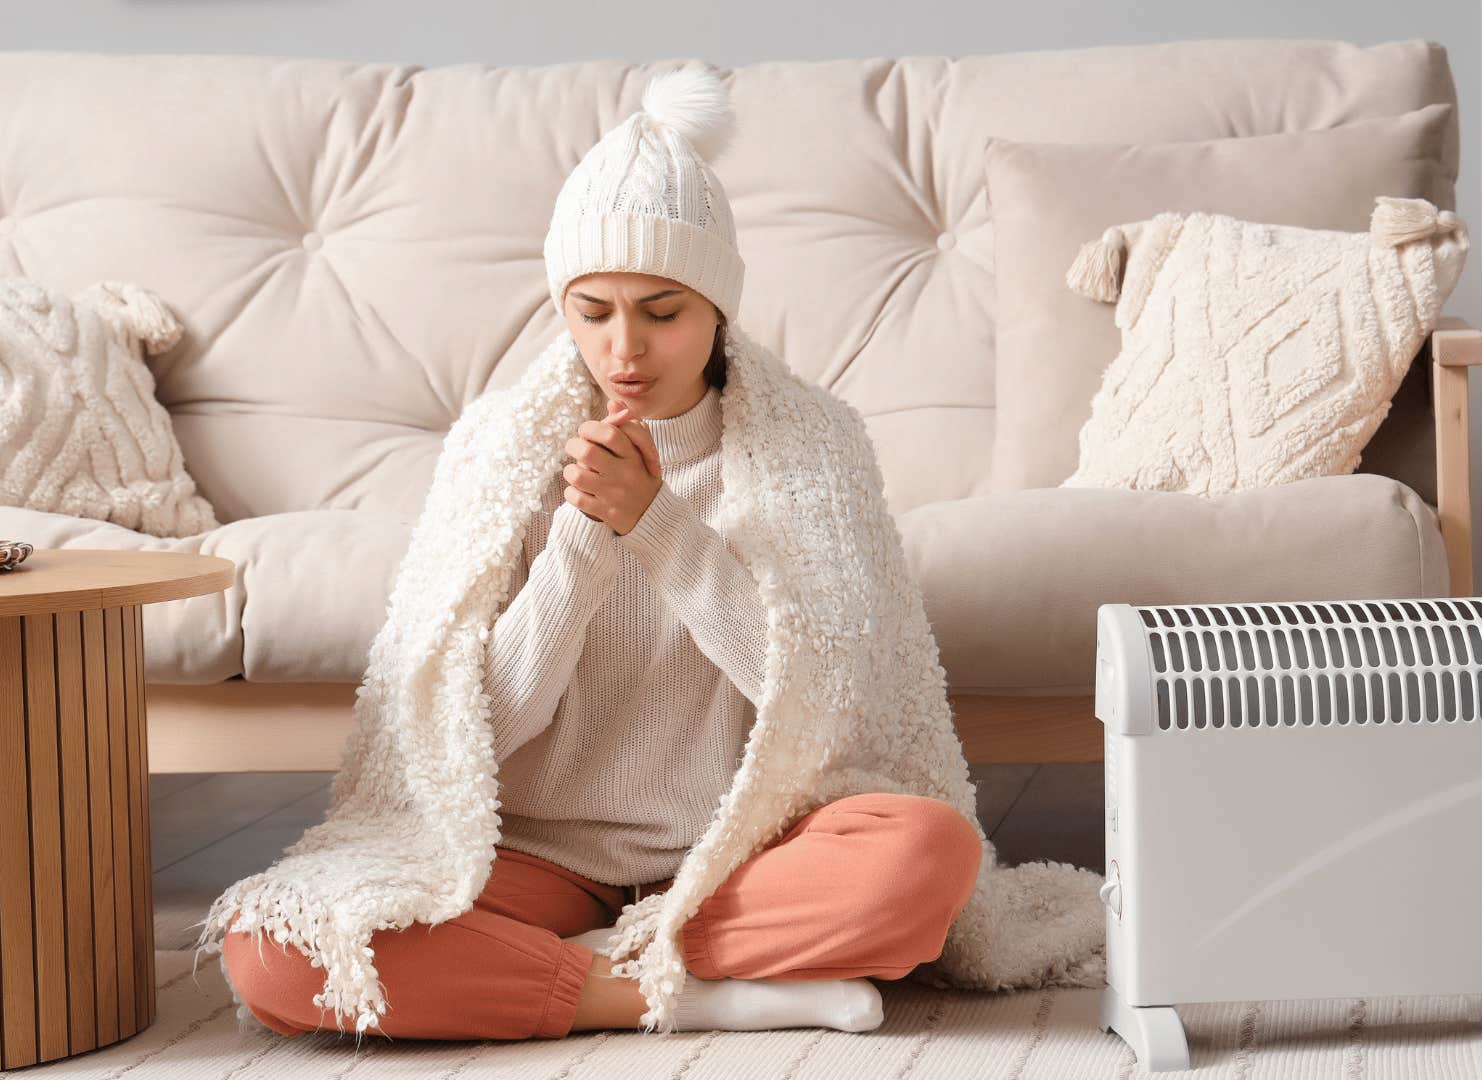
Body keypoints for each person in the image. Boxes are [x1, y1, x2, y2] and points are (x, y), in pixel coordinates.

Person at [217, 63, 984, 1042]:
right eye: (594, 311)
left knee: (926, 856)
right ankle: (683, 991)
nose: (626, 348)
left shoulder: (812, 451)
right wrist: (581, 543)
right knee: (271, 944)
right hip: (535, 858)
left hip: (743, 854)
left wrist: (660, 529)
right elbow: (467, 736)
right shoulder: (505, 453)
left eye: (662, 310)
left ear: (716, 309)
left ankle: (575, 972)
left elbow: (816, 708)